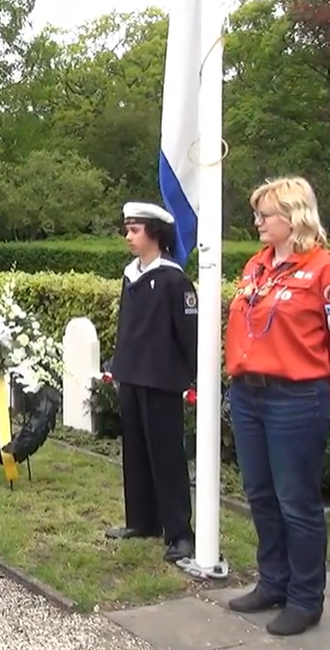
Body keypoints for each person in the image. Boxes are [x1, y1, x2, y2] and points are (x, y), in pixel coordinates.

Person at [223, 177, 330, 636]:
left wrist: (322, 385)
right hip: (248, 393)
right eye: (257, 214)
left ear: (294, 216)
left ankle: (305, 598)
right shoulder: (257, 265)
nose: (257, 222)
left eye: (265, 215)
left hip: (296, 396)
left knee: (296, 502)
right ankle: (273, 581)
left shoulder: (327, 268)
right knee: (260, 495)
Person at [104, 202, 197, 563]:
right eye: (127, 229)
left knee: (167, 456)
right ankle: (142, 520)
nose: (128, 236)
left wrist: (190, 376)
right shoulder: (131, 275)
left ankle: (179, 532)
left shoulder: (174, 279)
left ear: (155, 233)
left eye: (135, 230)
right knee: (136, 452)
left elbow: (188, 332)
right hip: (132, 375)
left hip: (161, 379)